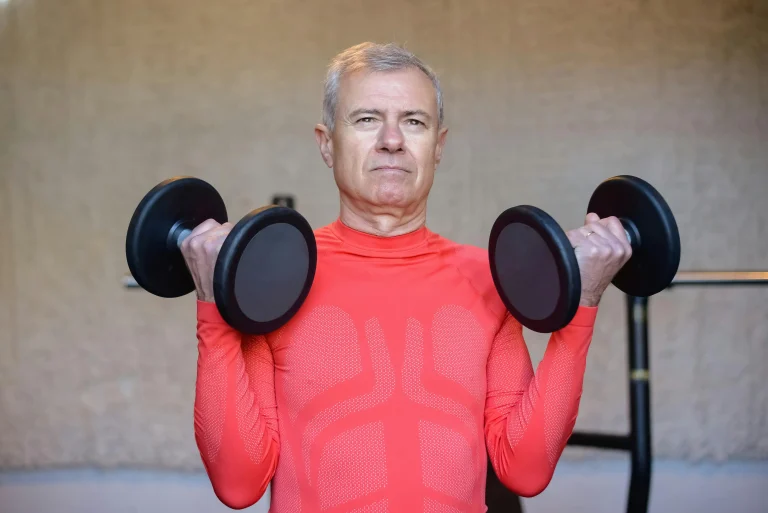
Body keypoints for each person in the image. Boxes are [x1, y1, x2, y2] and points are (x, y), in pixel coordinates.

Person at [180, 42, 632, 512]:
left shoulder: (484, 278)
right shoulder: (277, 280)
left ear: (437, 146)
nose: (392, 139)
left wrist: (583, 305)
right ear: (326, 143)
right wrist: (213, 308)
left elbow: (525, 470)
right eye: (367, 119)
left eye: (414, 122)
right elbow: (238, 484)